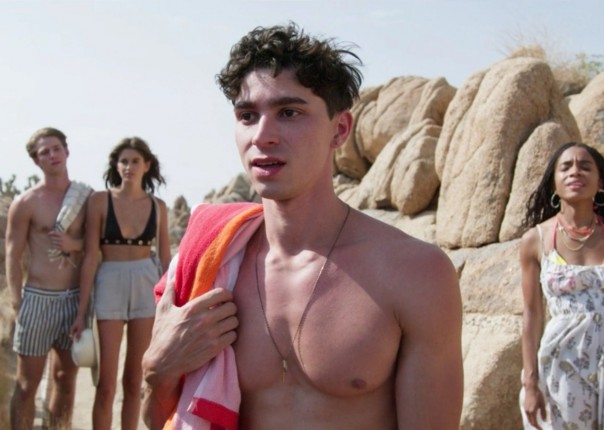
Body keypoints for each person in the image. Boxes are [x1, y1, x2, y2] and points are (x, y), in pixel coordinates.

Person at [141, 22, 463, 430]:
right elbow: (157, 420)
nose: (262, 136)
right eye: (247, 115)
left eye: (289, 113)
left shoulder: (415, 273)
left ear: (339, 130)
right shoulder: (211, 265)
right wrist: (157, 371)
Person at [519, 142, 604, 429]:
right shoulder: (535, 240)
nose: (575, 172)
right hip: (564, 357)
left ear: (600, 182)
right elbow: (531, 314)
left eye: (585, 167)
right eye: (566, 167)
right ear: (554, 184)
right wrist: (530, 382)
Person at [74, 137, 171, 430]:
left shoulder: (158, 206)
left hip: (145, 283)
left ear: (147, 165)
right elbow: (90, 256)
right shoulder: (100, 201)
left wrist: (172, 305)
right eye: (124, 161)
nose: (129, 166)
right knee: (105, 383)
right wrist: (81, 312)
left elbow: (166, 259)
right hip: (109, 281)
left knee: (134, 381)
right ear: (116, 166)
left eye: (135, 161)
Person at [7, 127, 91, 429]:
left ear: (67, 151)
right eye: (45, 152)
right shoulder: (26, 202)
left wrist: (74, 244)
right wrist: (18, 303)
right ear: (36, 160)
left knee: (65, 379)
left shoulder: (86, 198)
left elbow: (98, 247)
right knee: (27, 384)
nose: (52, 155)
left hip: (74, 301)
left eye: (56, 148)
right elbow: (13, 254)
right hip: (38, 299)